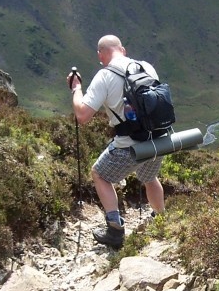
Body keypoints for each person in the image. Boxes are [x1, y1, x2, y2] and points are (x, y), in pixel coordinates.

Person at [67, 34, 165, 248]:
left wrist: (76, 89)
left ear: (100, 55)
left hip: (130, 143)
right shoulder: (146, 67)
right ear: (123, 49)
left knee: (99, 174)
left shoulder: (104, 75)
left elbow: (82, 116)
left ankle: (115, 230)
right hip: (159, 138)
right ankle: (162, 220)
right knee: (150, 177)